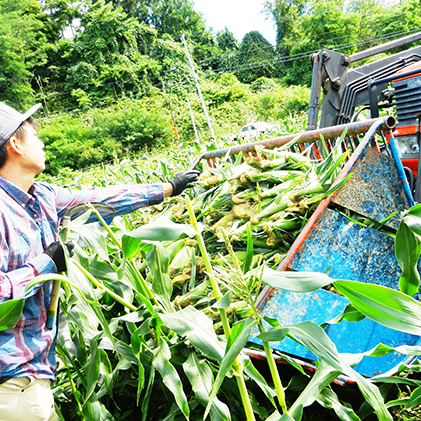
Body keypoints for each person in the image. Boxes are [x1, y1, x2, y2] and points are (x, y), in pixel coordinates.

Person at [0, 102, 199, 421]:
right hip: (11, 386)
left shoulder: (42, 197)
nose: (42, 142)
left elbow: (98, 199)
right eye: (35, 135)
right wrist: (46, 265)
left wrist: (168, 188)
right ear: (15, 143)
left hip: (35, 376)